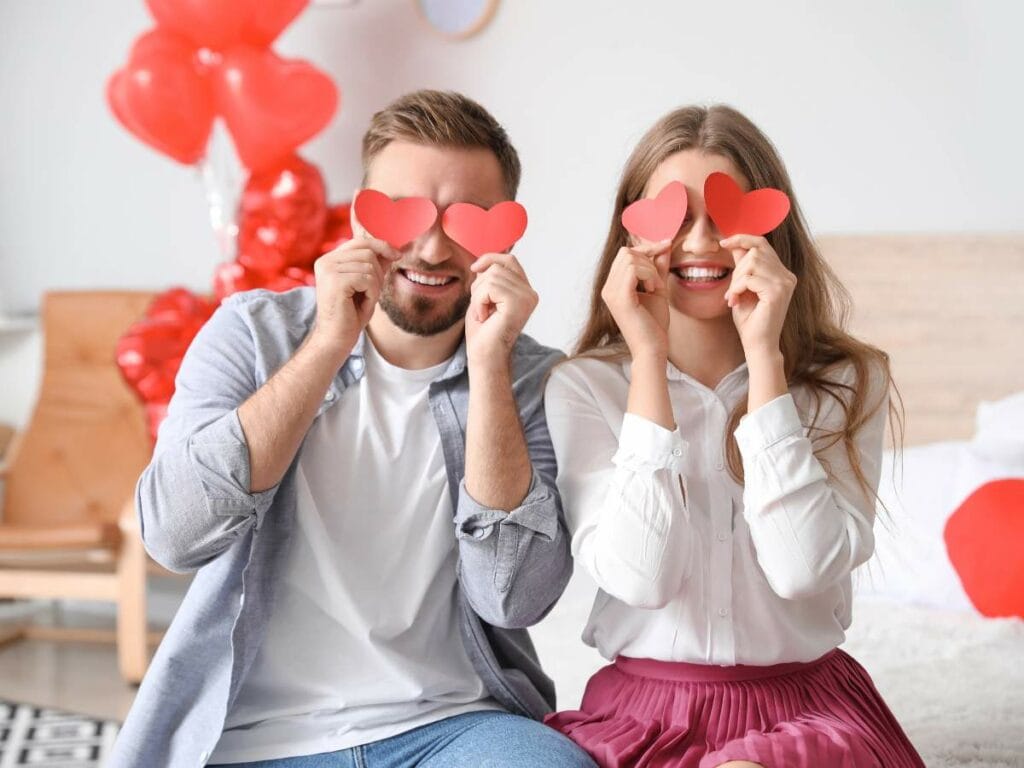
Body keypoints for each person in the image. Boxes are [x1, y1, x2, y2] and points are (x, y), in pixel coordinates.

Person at [110, 89, 594, 768]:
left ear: (504, 236)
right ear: (360, 215)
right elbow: (173, 534)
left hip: (452, 724)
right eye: (405, 214)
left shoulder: (533, 378)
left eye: (466, 222)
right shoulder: (252, 334)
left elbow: (513, 599)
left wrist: (488, 367)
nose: (430, 248)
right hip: (254, 740)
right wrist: (327, 345)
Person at [543, 104, 924, 768]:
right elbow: (640, 579)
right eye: (671, 216)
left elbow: (803, 568)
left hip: (806, 717)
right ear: (629, 232)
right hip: (641, 716)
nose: (697, 242)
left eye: (725, 216)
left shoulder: (848, 380)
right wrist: (648, 363)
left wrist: (767, 363)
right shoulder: (584, 388)